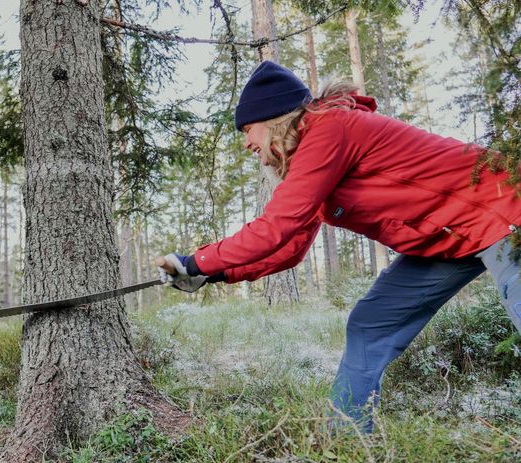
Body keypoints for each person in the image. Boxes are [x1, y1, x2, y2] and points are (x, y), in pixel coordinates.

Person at [158, 60, 521, 433]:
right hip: (450, 238)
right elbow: (289, 248)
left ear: (274, 119)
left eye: (248, 129)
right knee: (371, 322)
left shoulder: (330, 130)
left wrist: (196, 261)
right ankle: (348, 442)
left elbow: (277, 226)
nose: (247, 142)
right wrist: (214, 273)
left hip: (505, 209)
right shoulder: (314, 159)